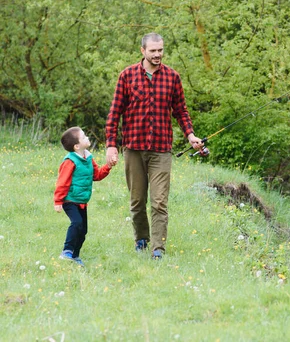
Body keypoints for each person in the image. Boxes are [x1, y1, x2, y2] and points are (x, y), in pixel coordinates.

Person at [105, 32, 205, 260]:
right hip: (133, 148)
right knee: (137, 200)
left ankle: (157, 249)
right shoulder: (127, 76)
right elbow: (114, 113)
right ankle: (141, 237)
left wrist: (190, 135)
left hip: (161, 149)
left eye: (160, 50)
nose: (158, 54)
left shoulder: (172, 77)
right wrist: (112, 145)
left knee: (159, 201)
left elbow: (181, 110)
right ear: (143, 51)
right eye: (153, 51)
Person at [54, 127, 114, 266]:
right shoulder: (70, 161)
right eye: (84, 136)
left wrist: (108, 166)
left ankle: (75, 256)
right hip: (69, 200)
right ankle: (67, 251)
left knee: (83, 230)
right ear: (76, 146)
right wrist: (58, 201)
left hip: (82, 200)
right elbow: (62, 182)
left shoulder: (88, 158)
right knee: (76, 223)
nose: (87, 137)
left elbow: (97, 175)